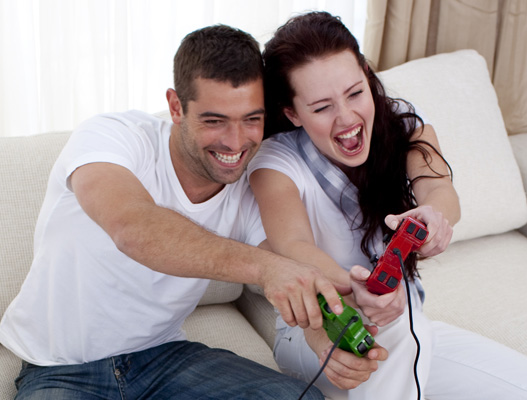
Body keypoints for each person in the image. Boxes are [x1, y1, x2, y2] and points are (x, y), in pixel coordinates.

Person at [248, 11, 527, 400]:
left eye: (355, 93)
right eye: (322, 107)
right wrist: (355, 289)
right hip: (318, 334)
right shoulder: (275, 162)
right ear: (292, 113)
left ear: (367, 75)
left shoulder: (402, 123)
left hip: (405, 326)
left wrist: (434, 217)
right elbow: (293, 246)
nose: (347, 118)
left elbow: (439, 189)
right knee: (399, 325)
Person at [0, 24, 344, 400]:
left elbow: (290, 275)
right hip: (60, 369)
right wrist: (265, 268)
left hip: (164, 359)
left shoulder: (250, 187)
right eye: (214, 121)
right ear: (176, 106)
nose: (235, 142)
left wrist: (324, 340)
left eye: (251, 119)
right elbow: (133, 228)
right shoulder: (112, 137)